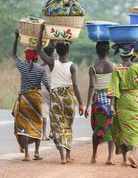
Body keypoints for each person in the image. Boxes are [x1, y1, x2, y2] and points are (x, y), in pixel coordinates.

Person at [37, 23, 84, 164]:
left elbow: (39, 49)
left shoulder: (52, 63)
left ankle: (62, 156)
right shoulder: (73, 66)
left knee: (57, 126)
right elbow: (75, 85)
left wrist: (41, 31)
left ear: (57, 51)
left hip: (56, 97)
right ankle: (68, 156)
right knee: (68, 125)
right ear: (68, 51)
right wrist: (81, 103)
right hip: (69, 97)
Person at [107, 43, 138, 168]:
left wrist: (111, 105)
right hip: (135, 101)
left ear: (120, 55)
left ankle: (125, 160)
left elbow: (114, 88)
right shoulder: (137, 68)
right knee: (135, 129)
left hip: (121, 102)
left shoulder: (117, 69)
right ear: (132, 54)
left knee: (122, 130)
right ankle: (132, 154)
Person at [12, 30, 50, 161]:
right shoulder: (41, 69)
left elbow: (14, 54)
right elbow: (47, 84)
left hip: (24, 99)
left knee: (24, 126)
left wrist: (16, 38)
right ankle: (37, 153)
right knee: (37, 124)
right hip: (36, 98)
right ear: (36, 57)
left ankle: (27, 154)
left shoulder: (22, 66)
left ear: (26, 56)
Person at [84, 41, 115, 165]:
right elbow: (115, 86)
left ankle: (94, 155)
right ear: (108, 52)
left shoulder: (93, 68)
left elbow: (92, 87)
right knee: (111, 129)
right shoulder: (114, 66)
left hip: (98, 103)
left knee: (97, 129)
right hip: (110, 102)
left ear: (97, 52)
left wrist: (87, 106)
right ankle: (110, 158)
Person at [40, 46, 55, 141]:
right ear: (52, 54)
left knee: (44, 111)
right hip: (53, 88)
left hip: (43, 89)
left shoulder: (41, 66)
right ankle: (52, 132)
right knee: (53, 111)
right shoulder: (54, 64)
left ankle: (44, 134)